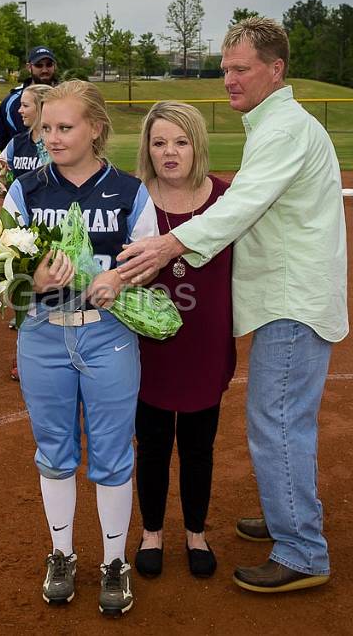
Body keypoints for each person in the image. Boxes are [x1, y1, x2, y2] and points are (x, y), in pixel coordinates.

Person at [117, 17, 348, 593]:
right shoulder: (274, 125)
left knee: (277, 422)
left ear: (276, 69)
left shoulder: (284, 129)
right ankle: (286, 516)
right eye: (225, 68)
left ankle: (301, 549)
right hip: (286, 298)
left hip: (291, 302)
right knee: (281, 420)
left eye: (242, 68)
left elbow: (240, 204)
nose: (230, 79)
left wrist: (171, 242)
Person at [1, 80, 157, 616]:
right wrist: (29, 281)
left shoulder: (131, 191)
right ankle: (62, 553)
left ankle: (115, 563)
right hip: (43, 333)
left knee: (113, 454)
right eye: (45, 128)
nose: (52, 137)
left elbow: (150, 263)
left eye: (64, 127)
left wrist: (122, 279)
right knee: (54, 451)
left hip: (107, 334)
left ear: (95, 128)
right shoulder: (25, 190)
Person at [130, 102, 236, 580]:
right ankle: (151, 531)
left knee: (198, 443)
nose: (169, 152)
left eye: (180, 141)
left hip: (205, 339)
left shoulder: (227, 196)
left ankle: (196, 531)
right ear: (147, 150)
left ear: (198, 145)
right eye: (159, 143)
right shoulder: (134, 199)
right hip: (147, 346)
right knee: (151, 443)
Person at [0, 83, 52, 382]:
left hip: (47, 226)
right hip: (21, 229)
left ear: (42, 107)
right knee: (23, 291)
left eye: (26, 105)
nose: (19, 110)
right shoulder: (17, 142)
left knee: (47, 292)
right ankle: (24, 354)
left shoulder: (53, 142)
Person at [0, 46, 60, 150]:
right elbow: (3, 143)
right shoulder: (12, 101)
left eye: (49, 64)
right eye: (39, 65)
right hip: (23, 163)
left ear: (54, 66)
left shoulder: (66, 97)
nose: (44, 70)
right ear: (29, 67)